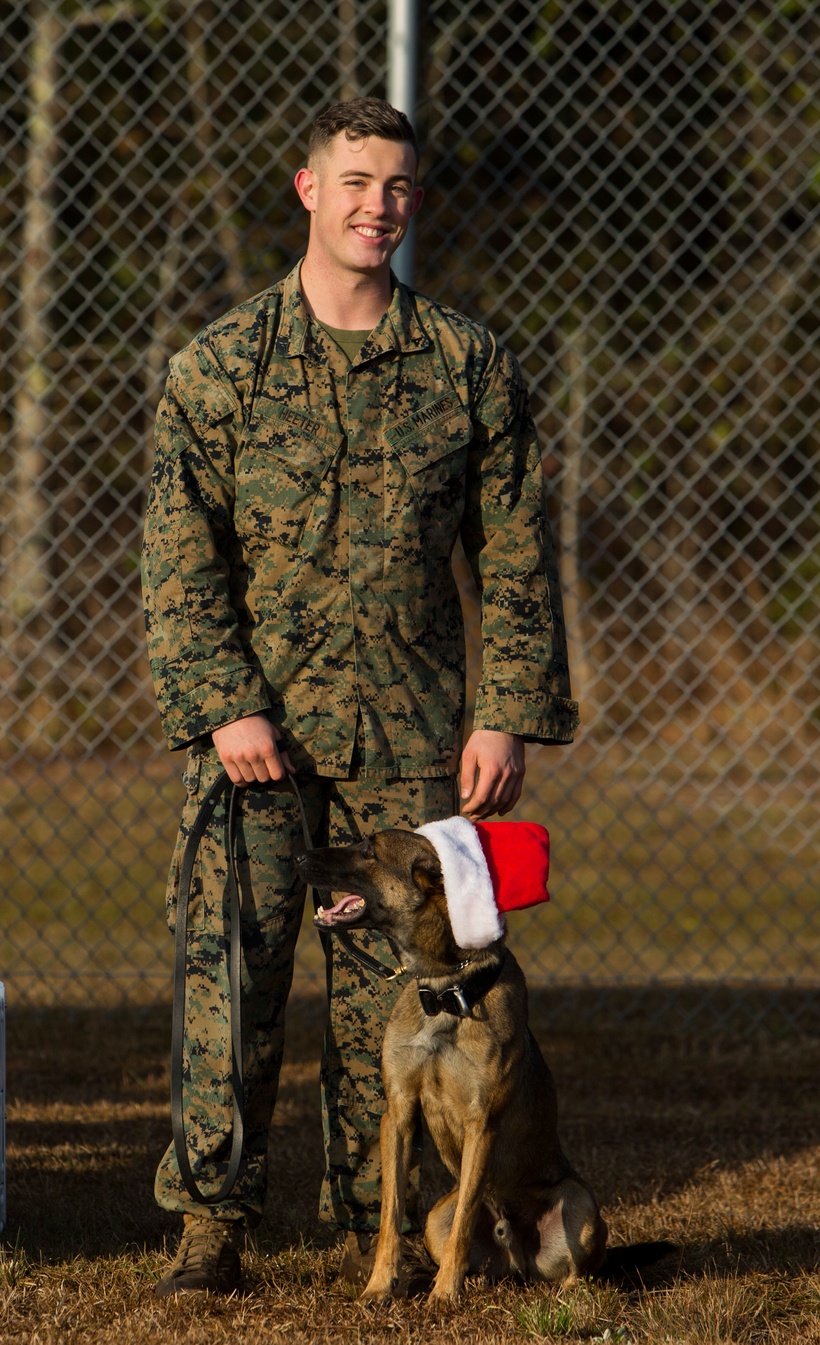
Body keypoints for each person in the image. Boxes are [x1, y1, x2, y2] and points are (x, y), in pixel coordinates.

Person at [141, 96, 577, 1297]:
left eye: (395, 187)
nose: (377, 206)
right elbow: (181, 560)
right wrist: (227, 704)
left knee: (403, 991)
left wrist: (506, 709)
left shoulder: (464, 362)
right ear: (306, 190)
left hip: (410, 729)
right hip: (257, 738)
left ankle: (370, 1212)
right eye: (354, 183)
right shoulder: (222, 367)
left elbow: (513, 550)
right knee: (231, 972)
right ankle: (212, 1227)